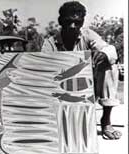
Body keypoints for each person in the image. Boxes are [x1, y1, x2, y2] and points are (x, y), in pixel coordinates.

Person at [41, 1, 122, 140]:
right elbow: (42, 68)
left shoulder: (88, 35)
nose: (73, 26)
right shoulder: (50, 42)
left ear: (82, 22)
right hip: (60, 91)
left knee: (109, 65)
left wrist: (103, 54)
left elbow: (110, 50)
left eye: (77, 22)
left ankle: (106, 121)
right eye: (68, 22)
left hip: (87, 88)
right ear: (61, 21)